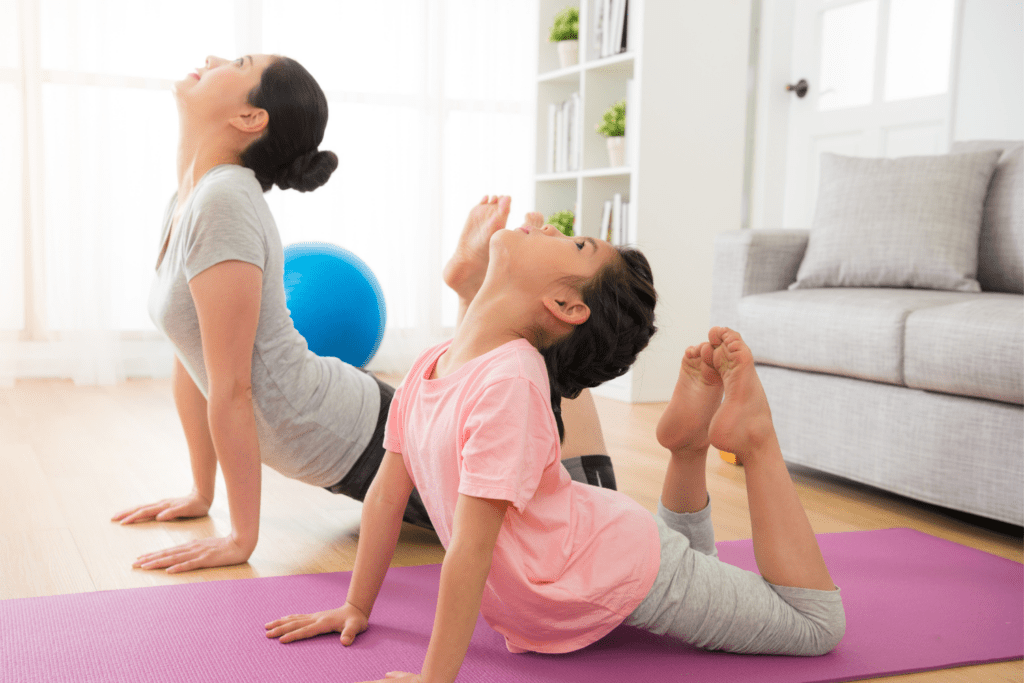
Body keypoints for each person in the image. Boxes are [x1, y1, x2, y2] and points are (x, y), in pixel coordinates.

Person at [263, 218, 846, 682]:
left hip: (617, 566)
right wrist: (356, 607)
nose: (546, 226)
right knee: (706, 571)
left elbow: (469, 547)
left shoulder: (510, 382)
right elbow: (387, 497)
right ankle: (686, 448)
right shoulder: (429, 364)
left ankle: (756, 440)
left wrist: (433, 679)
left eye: (575, 243)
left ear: (566, 306)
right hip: (565, 581)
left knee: (816, 626)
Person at [112, 54, 619, 574]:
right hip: (346, 422)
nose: (215, 60)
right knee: (521, 482)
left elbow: (233, 388)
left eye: (237, 63)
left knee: (572, 536)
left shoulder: (224, 202)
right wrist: (202, 490)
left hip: (356, 433)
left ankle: (482, 294)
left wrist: (242, 538)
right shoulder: (189, 199)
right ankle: (476, 292)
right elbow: (191, 353)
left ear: (250, 118)